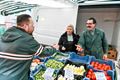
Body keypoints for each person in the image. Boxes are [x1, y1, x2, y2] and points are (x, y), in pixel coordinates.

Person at [0, 14, 55, 80]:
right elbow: (44, 52)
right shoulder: (27, 39)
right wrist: (54, 48)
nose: (33, 27)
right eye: (32, 25)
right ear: (26, 26)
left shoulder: (4, 36)